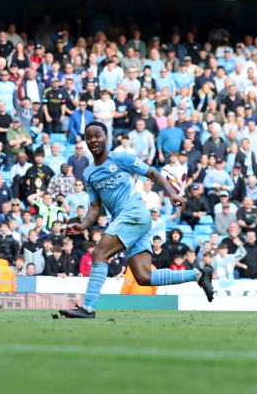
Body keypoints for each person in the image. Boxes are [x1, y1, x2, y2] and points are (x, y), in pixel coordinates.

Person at [59, 121, 213, 319]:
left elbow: (152, 173)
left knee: (99, 254)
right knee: (143, 277)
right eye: (89, 137)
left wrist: (172, 194)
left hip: (134, 213)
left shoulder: (120, 157)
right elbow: (95, 208)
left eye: (97, 135)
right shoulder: (89, 174)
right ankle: (199, 275)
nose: (93, 140)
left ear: (107, 138)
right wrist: (82, 225)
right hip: (129, 221)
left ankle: (87, 308)